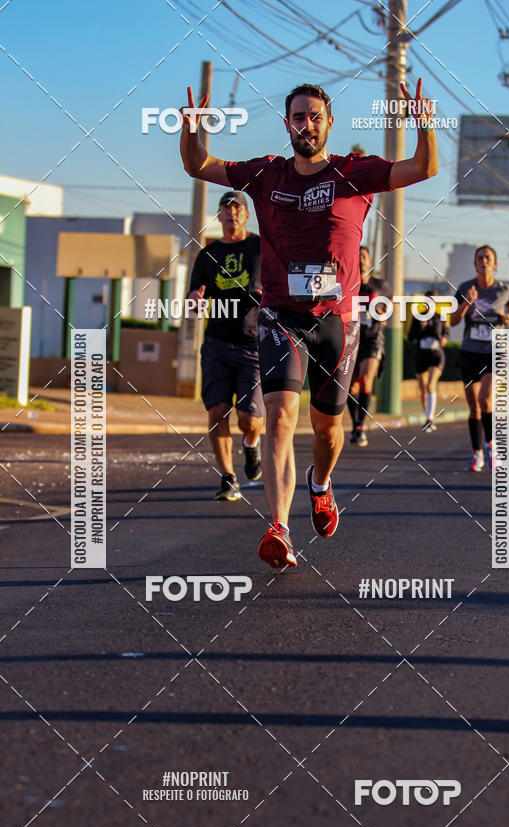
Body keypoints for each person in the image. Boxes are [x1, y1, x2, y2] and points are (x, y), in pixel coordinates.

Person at [180, 78, 438, 567]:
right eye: (298, 117)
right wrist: (192, 130)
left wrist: (424, 123)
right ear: (287, 124)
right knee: (278, 415)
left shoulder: (353, 174)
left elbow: (424, 167)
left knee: (328, 431)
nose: (307, 124)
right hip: (281, 316)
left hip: (337, 322)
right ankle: (279, 527)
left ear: (329, 123)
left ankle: (320, 485)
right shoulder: (266, 175)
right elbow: (197, 164)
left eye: (315, 116)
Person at [188, 191, 263, 500]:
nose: (231, 213)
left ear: (245, 215)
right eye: (225, 208)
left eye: (237, 208)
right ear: (218, 216)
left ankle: (251, 443)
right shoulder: (207, 255)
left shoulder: (261, 247)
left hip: (253, 347)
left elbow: (282, 282)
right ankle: (228, 477)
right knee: (217, 411)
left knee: (248, 420)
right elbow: (193, 300)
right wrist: (195, 300)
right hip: (217, 344)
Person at [450, 245, 509, 471]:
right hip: (470, 350)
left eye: (488, 258)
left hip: (494, 350)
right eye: (479, 258)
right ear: (475, 264)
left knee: (485, 399)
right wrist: (466, 304)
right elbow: (452, 321)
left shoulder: (504, 290)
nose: (484, 261)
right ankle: (477, 452)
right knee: (473, 406)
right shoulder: (465, 288)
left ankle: (491, 446)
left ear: (495, 264)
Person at [346, 245, 390, 446]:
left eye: (364, 255)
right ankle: (355, 423)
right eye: (357, 255)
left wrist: (384, 314)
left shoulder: (381, 285)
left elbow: (390, 303)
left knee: (365, 379)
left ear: (370, 261)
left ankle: (360, 426)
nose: (360, 258)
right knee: (351, 386)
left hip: (373, 339)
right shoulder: (347, 283)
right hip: (351, 339)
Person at [408, 289, 449, 431]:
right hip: (421, 354)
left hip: (436, 354)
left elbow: (446, 335)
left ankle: (430, 418)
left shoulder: (441, 317)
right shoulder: (418, 317)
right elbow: (410, 337)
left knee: (431, 384)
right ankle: (427, 416)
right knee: (423, 387)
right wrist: (421, 327)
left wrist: (443, 339)